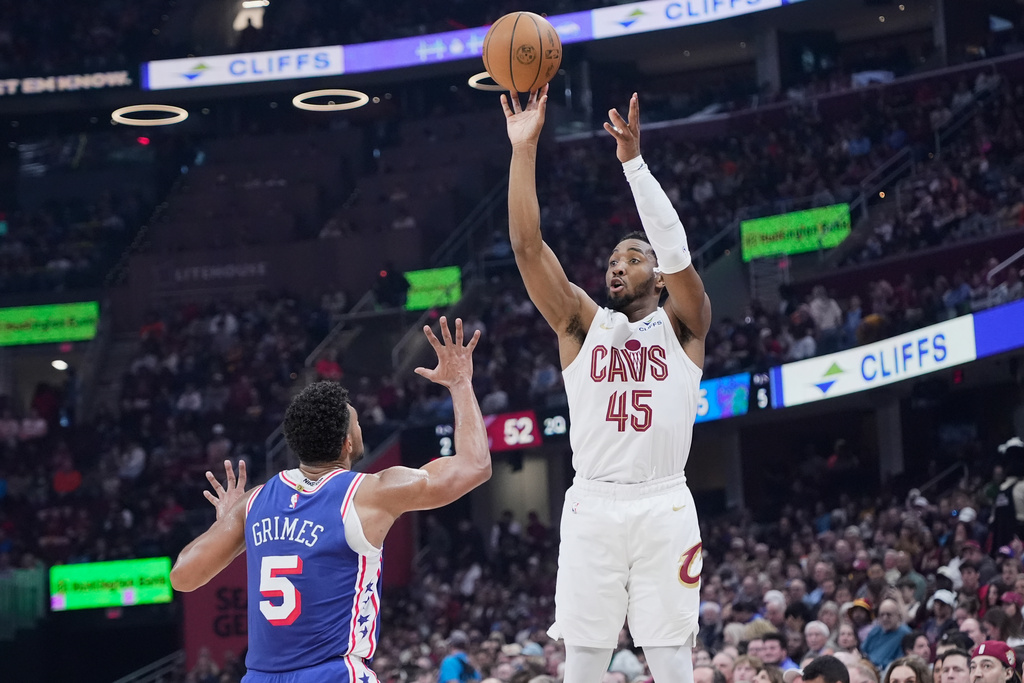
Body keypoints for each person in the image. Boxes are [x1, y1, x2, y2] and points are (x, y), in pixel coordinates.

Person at [501, 86, 710, 683]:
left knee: (671, 657)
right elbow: (525, 246)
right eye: (614, 257)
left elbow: (677, 250)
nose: (618, 263)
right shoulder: (579, 322)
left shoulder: (686, 326)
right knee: (585, 660)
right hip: (592, 502)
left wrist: (634, 166)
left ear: (660, 278)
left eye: (633, 257)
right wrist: (524, 149)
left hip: (665, 502)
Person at [170, 318, 491, 683]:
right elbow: (474, 466)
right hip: (331, 674)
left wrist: (229, 523)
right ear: (347, 443)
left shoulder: (254, 503)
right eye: (355, 422)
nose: (360, 425)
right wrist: (461, 383)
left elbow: (183, 576)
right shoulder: (371, 492)